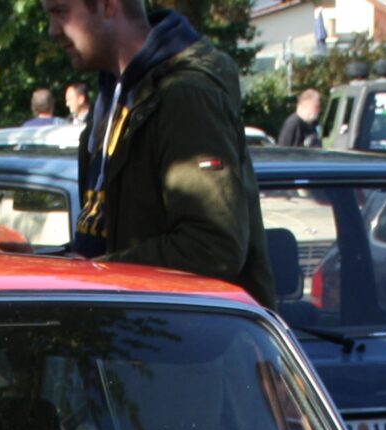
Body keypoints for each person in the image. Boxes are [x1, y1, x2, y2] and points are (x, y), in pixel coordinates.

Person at [41, 0, 273, 306]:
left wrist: (97, 273)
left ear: (109, 6)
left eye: (60, 12)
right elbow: (105, 240)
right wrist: (47, 266)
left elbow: (212, 247)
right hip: (131, 326)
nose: (53, 30)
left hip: (188, 334)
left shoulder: (185, 95)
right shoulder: (113, 97)